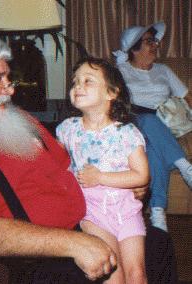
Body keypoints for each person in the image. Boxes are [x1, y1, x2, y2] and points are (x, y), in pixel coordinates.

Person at [0, 32, 177, 283]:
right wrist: (74, 244)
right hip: (37, 260)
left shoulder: (14, 120)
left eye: (8, 79)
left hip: (90, 221)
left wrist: (123, 182)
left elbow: (69, 165)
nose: (10, 90)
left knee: (157, 245)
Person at [56, 57, 149, 283]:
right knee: (112, 273)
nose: (78, 86)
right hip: (92, 211)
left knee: (136, 274)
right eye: (75, 82)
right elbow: (56, 166)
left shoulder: (126, 133)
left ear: (111, 93)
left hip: (126, 209)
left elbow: (141, 175)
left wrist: (99, 177)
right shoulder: (67, 129)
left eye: (88, 81)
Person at [113, 22, 192, 232]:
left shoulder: (164, 70)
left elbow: (187, 96)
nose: (156, 45)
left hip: (164, 124)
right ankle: (185, 167)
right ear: (135, 48)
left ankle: (158, 213)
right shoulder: (120, 71)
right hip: (134, 122)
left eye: (155, 41)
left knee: (152, 151)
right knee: (147, 122)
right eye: (150, 41)